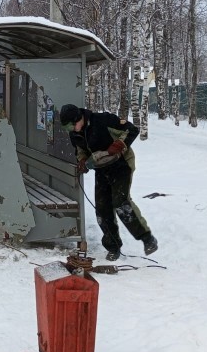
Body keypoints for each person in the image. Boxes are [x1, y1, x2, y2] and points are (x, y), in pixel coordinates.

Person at [59, 103, 158, 261]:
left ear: (79, 118)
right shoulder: (74, 133)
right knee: (102, 208)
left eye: (72, 125)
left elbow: (131, 129)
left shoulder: (103, 120)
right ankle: (113, 246)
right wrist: (82, 160)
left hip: (121, 164)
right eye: (68, 127)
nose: (71, 129)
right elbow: (80, 150)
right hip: (102, 168)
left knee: (120, 202)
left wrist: (119, 144)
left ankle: (147, 238)